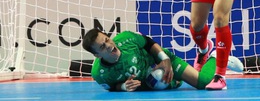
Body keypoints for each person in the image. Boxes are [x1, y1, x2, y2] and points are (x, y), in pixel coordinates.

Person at [82, 28, 243, 92]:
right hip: (148, 81)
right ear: (97, 55)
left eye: (107, 40)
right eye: (102, 47)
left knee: (203, 83)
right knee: (162, 82)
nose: (109, 46)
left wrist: (165, 59)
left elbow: (149, 42)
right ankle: (196, 63)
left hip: (163, 61)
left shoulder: (125, 39)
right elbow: (111, 87)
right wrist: (122, 86)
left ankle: (216, 56)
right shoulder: (99, 73)